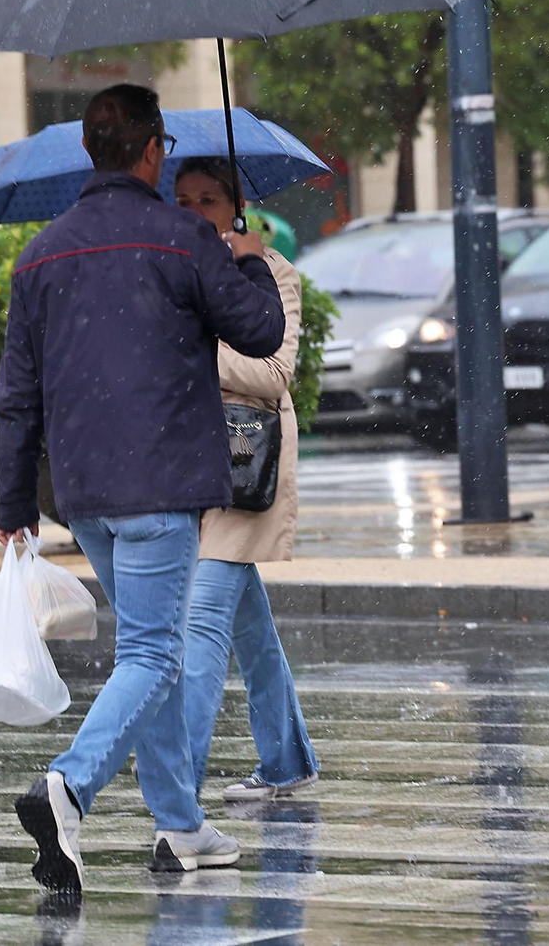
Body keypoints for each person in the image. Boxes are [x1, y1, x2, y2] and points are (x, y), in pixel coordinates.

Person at [0, 85, 286, 893]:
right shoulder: (183, 239)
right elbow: (261, 331)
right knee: (154, 654)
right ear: (153, 149)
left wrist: (13, 505)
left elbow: (16, 394)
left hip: (84, 491)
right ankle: (67, 787)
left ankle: (180, 823)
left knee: (147, 652)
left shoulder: (41, 254)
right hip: (161, 480)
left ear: (91, 150)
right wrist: (247, 256)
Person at [173, 157, 320, 803]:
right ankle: (286, 759)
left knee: (204, 616)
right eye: (182, 200)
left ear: (235, 207)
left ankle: (177, 789)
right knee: (248, 624)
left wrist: (192, 348)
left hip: (242, 463)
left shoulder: (273, 274)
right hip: (181, 469)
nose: (193, 211)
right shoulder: (168, 273)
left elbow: (274, 372)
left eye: (207, 199)